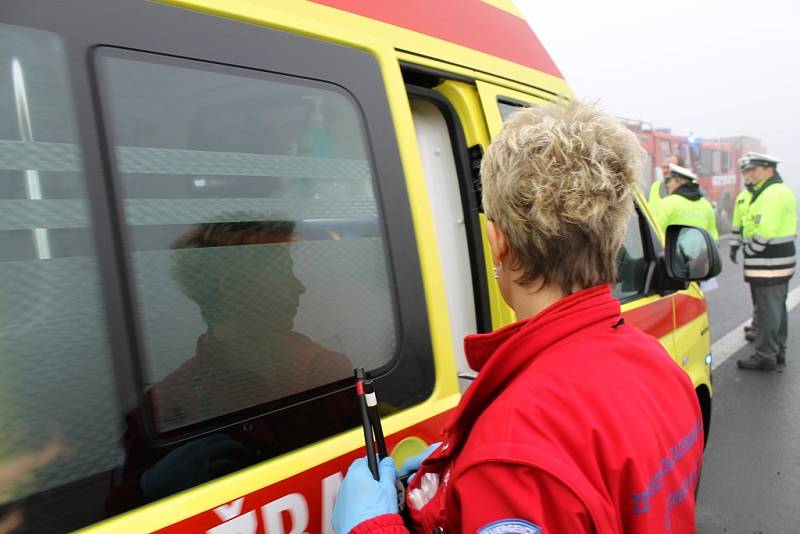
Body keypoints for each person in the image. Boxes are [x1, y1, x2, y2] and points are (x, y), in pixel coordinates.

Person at [332, 102, 704, 533]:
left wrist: (371, 528)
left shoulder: (513, 461)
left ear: (498, 241)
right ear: (616, 234)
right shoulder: (659, 367)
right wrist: (463, 467)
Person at [108, 219, 354, 511]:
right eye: (283, 273)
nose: (299, 287)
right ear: (231, 288)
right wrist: (147, 488)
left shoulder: (323, 368)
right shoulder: (166, 406)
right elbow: (116, 513)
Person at [736, 153, 797, 371]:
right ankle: (778, 349)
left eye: (753, 170)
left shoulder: (769, 195)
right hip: (780, 261)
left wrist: (748, 251)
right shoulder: (781, 191)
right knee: (776, 308)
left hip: (768, 264)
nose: (748, 174)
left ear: (767, 169)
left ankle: (765, 355)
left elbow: (765, 231)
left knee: (766, 310)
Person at [730, 156, 758, 342]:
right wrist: (734, 246)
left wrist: (753, 248)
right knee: (758, 297)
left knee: (767, 300)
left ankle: (761, 331)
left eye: (749, 171)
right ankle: (758, 325)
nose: (747, 176)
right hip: (753, 255)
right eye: (745, 172)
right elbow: (737, 224)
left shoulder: (761, 195)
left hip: (762, 255)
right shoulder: (744, 196)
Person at [653, 163, 718, 242]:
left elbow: (654, 233)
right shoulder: (706, 205)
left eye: (669, 180)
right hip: (701, 254)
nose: (668, 185)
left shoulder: (667, 203)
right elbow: (713, 237)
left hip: (671, 253)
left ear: (678, 181)